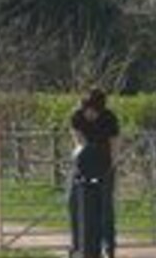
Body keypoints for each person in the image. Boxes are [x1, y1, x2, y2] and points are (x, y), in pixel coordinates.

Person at [69, 88, 121, 258]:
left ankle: (108, 248)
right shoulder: (77, 116)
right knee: (73, 203)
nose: (90, 115)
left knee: (105, 209)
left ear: (101, 109)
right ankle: (79, 246)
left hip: (105, 164)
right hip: (83, 165)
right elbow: (79, 142)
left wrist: (110, 169)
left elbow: (114, 145)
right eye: (87, 111)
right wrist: (81, 164)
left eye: (94, 111)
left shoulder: (109, 118)